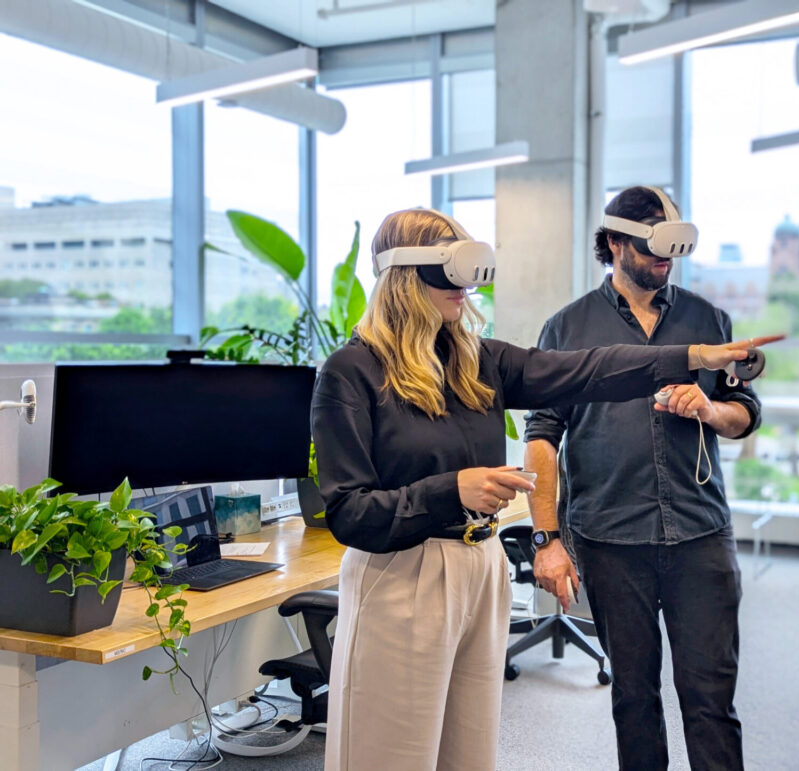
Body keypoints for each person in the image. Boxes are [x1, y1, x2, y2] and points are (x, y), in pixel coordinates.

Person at [311, 206, 768, 771]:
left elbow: (590, 370)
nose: (466, 289)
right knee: (392, 754)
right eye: (451, 273)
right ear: (406, 277)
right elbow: (350, 514)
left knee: (468, 752)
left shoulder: (478, 361)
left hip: (480, 567)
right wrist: (451, 490)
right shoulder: (351, 372)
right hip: (406, 572)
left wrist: (694, 357)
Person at [523, 186, 782, 771]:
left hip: (699, 536)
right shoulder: (566, 329)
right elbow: (542, 435)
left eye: (673, 249)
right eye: (651, 247)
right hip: (611, 539)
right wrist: (547, 539)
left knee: (711, 701)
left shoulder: (706, 319)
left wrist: (710, 409)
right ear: (614, 243)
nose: (665, 261)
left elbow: (746, 414)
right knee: (634, 699)